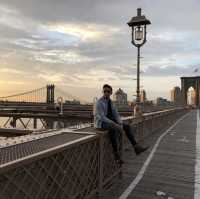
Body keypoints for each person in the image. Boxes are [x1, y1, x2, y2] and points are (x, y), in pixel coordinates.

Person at [94, 84, 148, 164]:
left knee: (126, 126)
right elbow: (102, 117)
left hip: (111, 122)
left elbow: (116, 115)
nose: (106, 93)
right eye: (104, 91)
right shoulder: (99, 102)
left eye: (108, 91)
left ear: (111, 93)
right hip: (101, 124)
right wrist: (115, 124)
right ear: (103, 92)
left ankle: (136, 147)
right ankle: (116, 156)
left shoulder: (111, 103)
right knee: (113, 129)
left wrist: (120, 123)